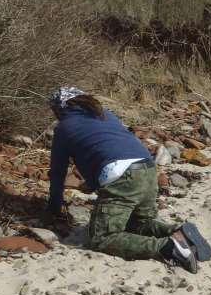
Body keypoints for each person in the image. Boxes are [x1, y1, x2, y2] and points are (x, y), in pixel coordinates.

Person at [45, 86, 199, 273]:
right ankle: (178, 231)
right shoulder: (105, 114)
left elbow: (58, 172)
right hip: (148, 169)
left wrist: (54, 207)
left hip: (122, 176)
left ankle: (168, 246)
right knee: (139, 223)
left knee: (101, 237)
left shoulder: (64, 127)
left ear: (60, 108)